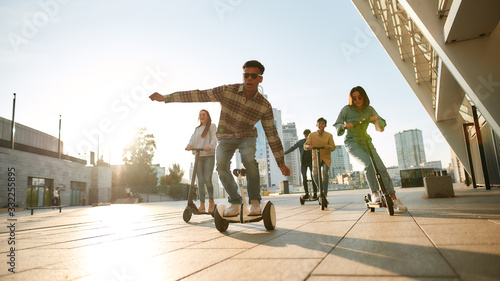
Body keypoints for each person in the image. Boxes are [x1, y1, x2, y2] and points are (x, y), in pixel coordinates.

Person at [150, 60, 290, 217]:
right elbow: (200, 95)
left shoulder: (264, 106)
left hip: (246, 136)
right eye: (246, 75)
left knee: (248, 159)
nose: (249, 79)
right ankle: (236, 202)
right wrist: (166, 98)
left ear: (260, 79)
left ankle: (255, 201)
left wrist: (281, 163)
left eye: (253, 76)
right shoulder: (227, 90)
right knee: (221, 165)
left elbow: (272, 134)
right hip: (226, 136)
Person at [333, 86, 407, 211]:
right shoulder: (347, 110)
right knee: (368, 164)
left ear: (364, 97)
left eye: (359, 97)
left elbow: (380, 127)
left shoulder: (369, 109)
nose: (357, 100)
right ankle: (374, 192)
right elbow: (337, 124)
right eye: (354, 98)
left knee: (381, 167)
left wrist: (377, 120)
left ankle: (394, 198)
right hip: (352, 142)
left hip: (366, 141)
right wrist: (345, 126)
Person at [186, 109, 217, 213]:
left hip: (209, 156)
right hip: (199, 156)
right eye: (200, 115)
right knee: (200, 181)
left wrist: (210, 146)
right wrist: (189, 145)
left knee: (207, 179)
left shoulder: (212, 126)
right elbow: (192, 139)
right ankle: (202, 205)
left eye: (204, 114)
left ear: (207, 116)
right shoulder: (197, 129)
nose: (202, 116)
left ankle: (211, 202)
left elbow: (214, 138)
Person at [304, 118, 336, 199]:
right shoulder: (311, 135)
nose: (321, 125)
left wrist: (329, 146)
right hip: (316, 158)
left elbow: (333, 147)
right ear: (316, 125)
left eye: (323, 124)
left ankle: (325, 193)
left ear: (325, 125)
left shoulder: (329, 135)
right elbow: (305, 146)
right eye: (319, 123)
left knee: (325, 173)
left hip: (326, 157)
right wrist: (308, 146)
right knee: (315, 174)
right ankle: (320, 190)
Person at [284, 129, 318, 199]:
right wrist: (284, 153)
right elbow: (293, 148)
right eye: (306, 136)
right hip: (303, 163)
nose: (307, 137)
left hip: (312, 162)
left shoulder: (313, 142)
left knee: (313, 177)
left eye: (308, 135)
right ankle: (306, 193)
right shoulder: (300, 142)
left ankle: (315, 193)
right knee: (304, 178)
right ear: (304, 135)